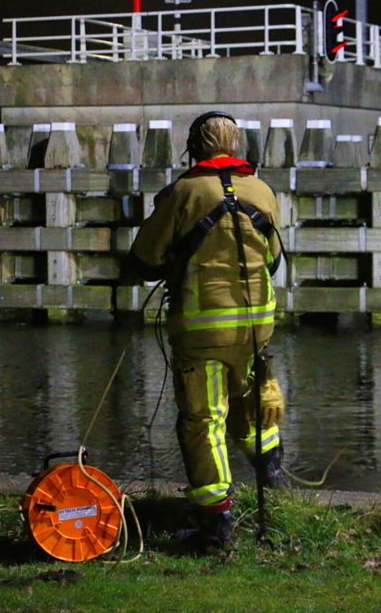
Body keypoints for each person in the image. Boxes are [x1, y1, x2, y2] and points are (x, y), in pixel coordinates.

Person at [128, 111, 287, 549]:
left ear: (194, 147)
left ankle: (215, 524)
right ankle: (272, 472)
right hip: (258, 323)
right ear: (237, 147)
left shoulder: (183, 192)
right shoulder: (262, 189)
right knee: (249, 396)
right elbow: (272, 258)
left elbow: (144, 258)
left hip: (203, 327)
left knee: (202, 421)